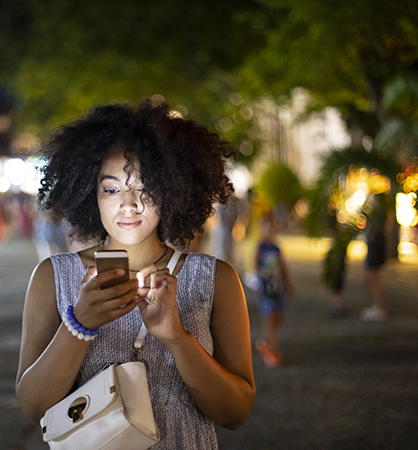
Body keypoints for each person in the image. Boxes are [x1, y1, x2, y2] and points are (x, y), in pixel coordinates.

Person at [16, 101, 256, 448]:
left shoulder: (214, 279)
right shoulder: (53, 277)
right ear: (90, 194)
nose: (129, 204)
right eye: (111, 189)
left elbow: (235, 414)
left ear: (174, 190)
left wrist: (177, 338)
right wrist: (79, 324)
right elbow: (33, 406)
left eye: (145, 188)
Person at [254, 214, 295, 368]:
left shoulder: (277, 247)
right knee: (269, 316)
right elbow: (255, 266)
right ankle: (270, 349)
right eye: (268, 225)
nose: (271, 229)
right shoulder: (261, 247)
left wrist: (288, 284)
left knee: (278, 315)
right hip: (267, 287)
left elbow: (283, 266)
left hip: (278, 287)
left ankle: (267, 344)